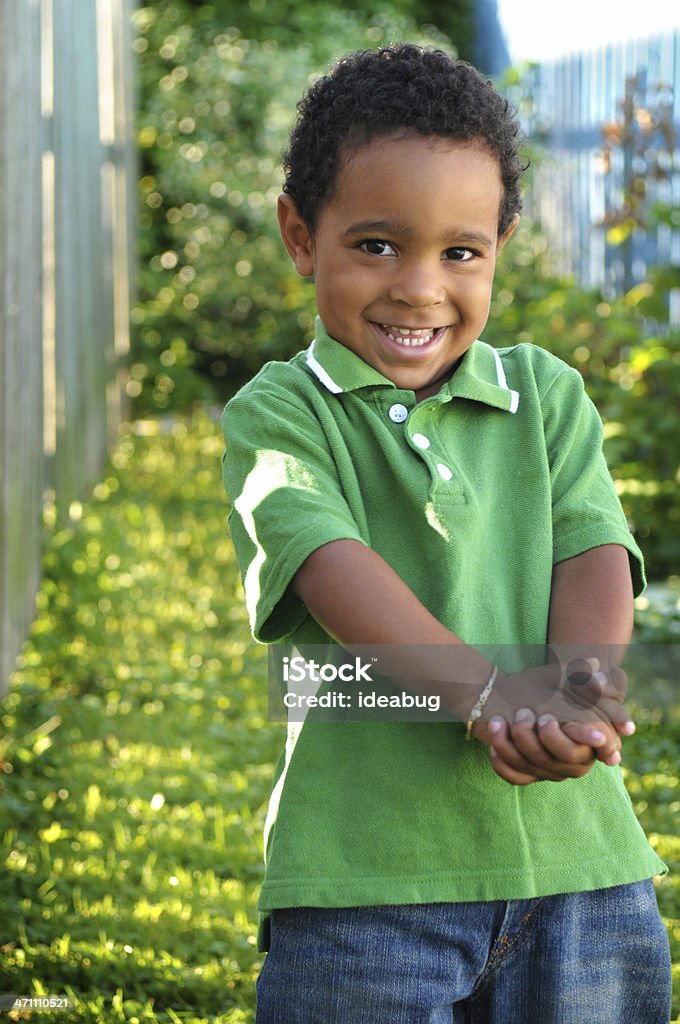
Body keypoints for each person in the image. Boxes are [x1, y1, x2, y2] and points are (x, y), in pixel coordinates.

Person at [221, 44, 671, 1024]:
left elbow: (591, 548)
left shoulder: (546, 396)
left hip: (580, 869)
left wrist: (576, 691)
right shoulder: (282, 412)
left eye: (459, 252)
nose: (419, 287)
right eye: (376, 245)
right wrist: (484, 696)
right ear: (301, 236)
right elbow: (332, 565)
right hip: (366, 878)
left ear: (501, 242)